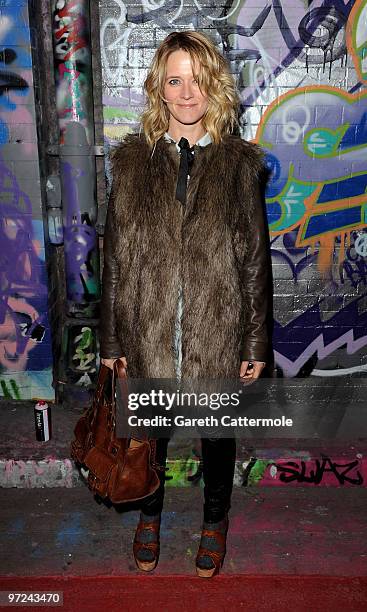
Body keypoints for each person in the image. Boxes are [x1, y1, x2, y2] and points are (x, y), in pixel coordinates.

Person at [99, 30, 269, 578]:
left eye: (198, 80)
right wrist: (111, 343)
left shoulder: (240, 166)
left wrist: (255, 341)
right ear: (160, 89)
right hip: (148, 333)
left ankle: (214, 523)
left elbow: (254, 262)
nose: (187, 92)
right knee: (150, 435)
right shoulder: (130, 166)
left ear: (214, 86)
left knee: (216, 437)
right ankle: (149, 514)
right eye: (175, 80)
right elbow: (115, 263)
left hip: (216, 333)